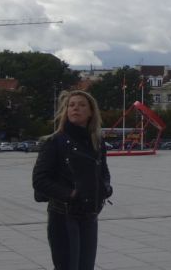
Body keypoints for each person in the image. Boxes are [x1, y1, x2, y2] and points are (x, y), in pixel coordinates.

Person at [32, 90, 112, 270]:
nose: (76, 108)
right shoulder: (54, 141)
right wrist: (70, 194)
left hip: (89, 214)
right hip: (63, 215)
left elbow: (103, 171)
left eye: (82, 105)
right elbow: (39, 180)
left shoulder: (97, 142)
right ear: (66, 111)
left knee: (86, 266)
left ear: (91, 111)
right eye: (71, 105)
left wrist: (106, 189)